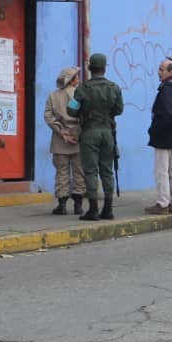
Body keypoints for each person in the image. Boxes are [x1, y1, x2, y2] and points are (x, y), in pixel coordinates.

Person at [68, 53, 124, 220]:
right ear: (104, 68)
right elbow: (119, 110)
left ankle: (93, 209)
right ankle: (108, 209)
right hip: (108, 132)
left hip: (89, 132)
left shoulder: (82, 89)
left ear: (90, 68)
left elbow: (71, 110)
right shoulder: (114, 88)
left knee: (91, 170)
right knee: (107, 170)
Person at [145, 55, 172, 214]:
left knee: (161, 171)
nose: (158, 72)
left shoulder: (167, 90)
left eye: (161, 70)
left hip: (164, 137)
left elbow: (167, 115)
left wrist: (154, 130)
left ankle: (163, 203)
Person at [44, 66, 84, 215]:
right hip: (78, 140)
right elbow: (85, 116)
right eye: (76, 77)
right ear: (71, 80)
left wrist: (62, 131)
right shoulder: (80, 95)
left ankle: (61, 205)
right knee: (79, 173)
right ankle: (78, 205)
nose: (78, 80)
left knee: (61, 173)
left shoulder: (53, 96)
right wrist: (76, 133)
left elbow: (48, 116)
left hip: (59, 140)